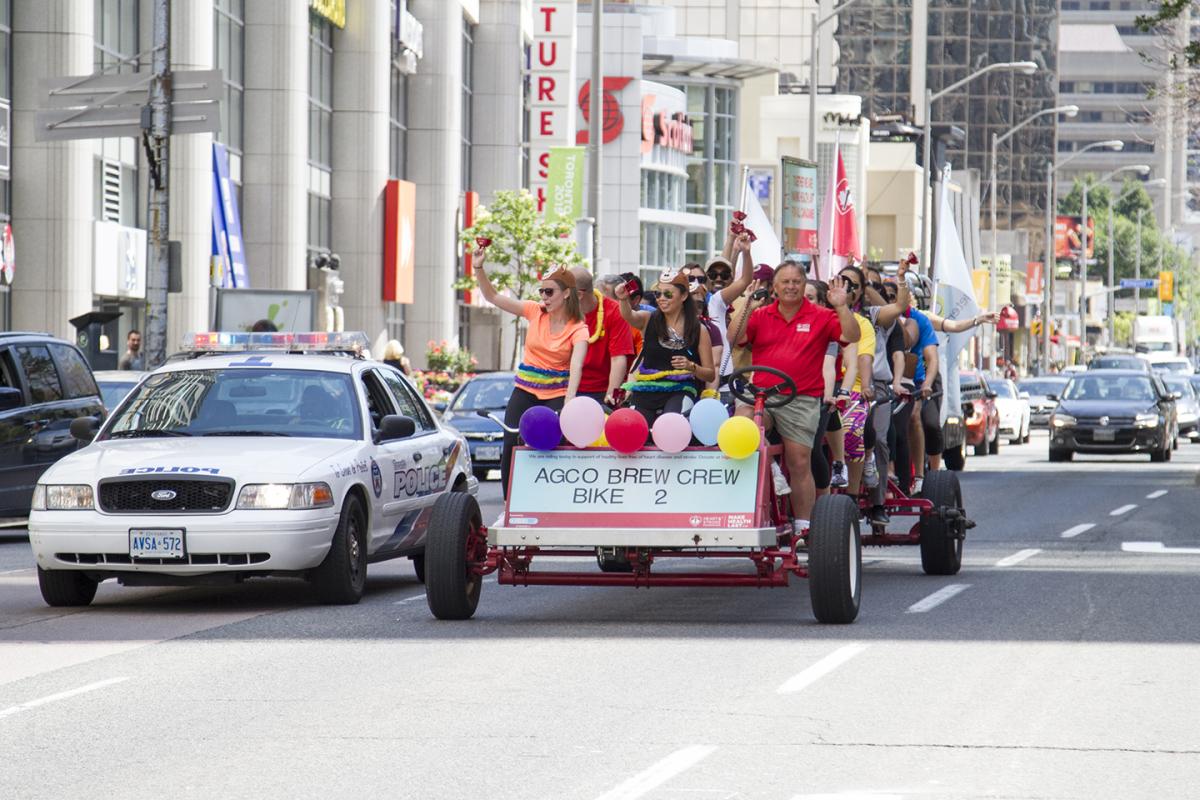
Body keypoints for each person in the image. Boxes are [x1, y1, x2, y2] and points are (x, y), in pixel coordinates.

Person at [730, 263, 860, 533]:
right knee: (744, 424)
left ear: (803, 284)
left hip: (801, 398)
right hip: (762, 397)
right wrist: (746, 308)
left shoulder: (822, 315)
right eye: (785, 282)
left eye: (796, 281)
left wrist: (841, 305)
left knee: (800, 460)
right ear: (774, 287)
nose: (790, 286)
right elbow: (733, 338)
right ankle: (772, 471)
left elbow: (851, 335)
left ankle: (803, 526)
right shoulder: (761, 314)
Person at [472, 248, 588, 497]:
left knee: (551, 445)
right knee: (510, 441)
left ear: (566, 294)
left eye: (550, 292)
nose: (544, 297)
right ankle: (508, 504)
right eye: (542, 292)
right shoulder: (535, 312)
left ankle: (550, 499)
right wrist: (479, 268)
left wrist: (569, 399)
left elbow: (577, 365)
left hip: (556, 393)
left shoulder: (578, 328)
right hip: (525, 390)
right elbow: (492, 297)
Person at [616, 269, 716, 426]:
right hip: (646, 390)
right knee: (632, 427)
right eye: (658, 294)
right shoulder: (648, 319)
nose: (661, 299)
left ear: (683, 296)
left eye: (668, 294)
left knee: (670, 425)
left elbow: (710, 374)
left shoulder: (699, 329)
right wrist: (623, 300)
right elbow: (629, 315)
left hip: (680, 390)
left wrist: (692, 367)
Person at [571, 267, 634, 407]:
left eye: (565, 291)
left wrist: (611, 397)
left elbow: (619, 359)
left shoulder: (615, 311)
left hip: (604, 390)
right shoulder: (562, 310)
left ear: (579, 294)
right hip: (568, 387)